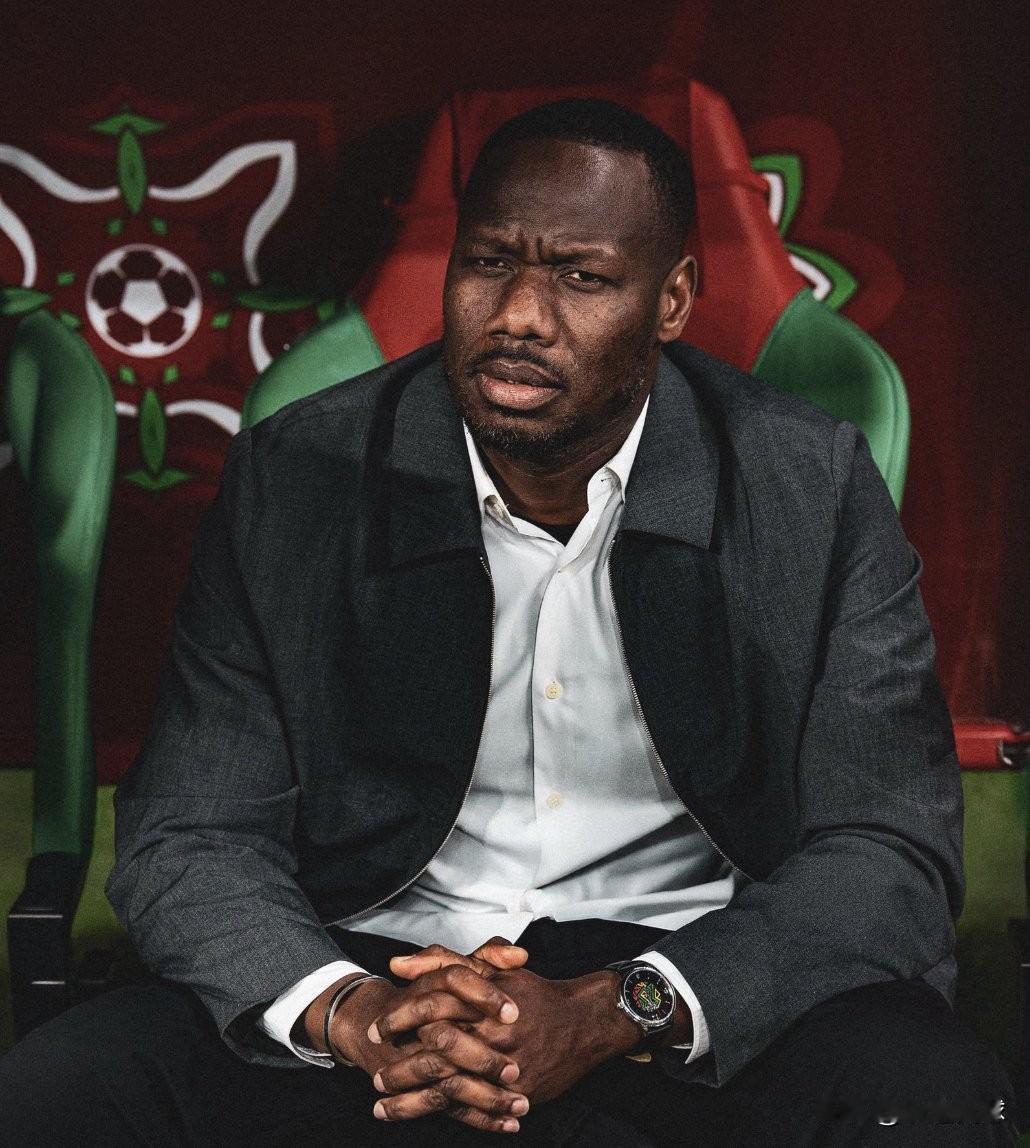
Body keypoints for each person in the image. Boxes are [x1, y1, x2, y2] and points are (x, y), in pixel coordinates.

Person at [0, 99, 1015, 1147]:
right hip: (384, 968)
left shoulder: (808, 484)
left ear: (670, 300)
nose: (521, 314)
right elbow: (191, 831)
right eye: (489, 262)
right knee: (62, 1094)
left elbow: (888, 851)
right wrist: (351, 1011)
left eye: (581, 276)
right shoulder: (297, 478)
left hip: (683, 982)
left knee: (928, 1093)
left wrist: (626, 1005)